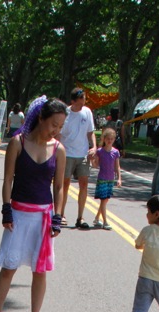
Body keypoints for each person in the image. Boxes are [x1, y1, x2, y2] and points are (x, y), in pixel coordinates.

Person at [0, 96, 67, 312]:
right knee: (8, 267)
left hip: (42, 218)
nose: (56, 130)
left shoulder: (58, 149)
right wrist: (6, 209)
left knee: (39, 270)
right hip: (18, 214)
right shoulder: (18, 143)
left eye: (60, 126)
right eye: (53, 124)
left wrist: (58, 216)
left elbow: (59, 187)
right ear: (41, 118)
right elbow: (7, 180)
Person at [58, 87, 97, 229]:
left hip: (83, 154)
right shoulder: (65, 113)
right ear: (73, 101)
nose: (83, 104)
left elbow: (90, 132)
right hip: (67, 153)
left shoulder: (87, 112)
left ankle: (80, 217)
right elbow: (58, 134)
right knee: (65, 184)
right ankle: (61, 214)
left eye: (84, 100)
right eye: (80, 101)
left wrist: (94, 147)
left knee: (84, 184)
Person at [91, 127, 122, 228]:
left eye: (111, 139)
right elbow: (95, 165)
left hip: (110, 179)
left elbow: (117, 166)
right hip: (102, 178)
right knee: (103, 200)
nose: (109, 141)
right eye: (108, 139)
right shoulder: (100, 151)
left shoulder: (115, 152)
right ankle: (105, 222)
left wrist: (119, 178)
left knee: (105, 200)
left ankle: (97, 218)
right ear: (104, 139)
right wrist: (92, 160)